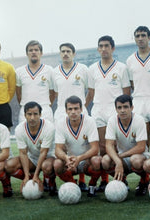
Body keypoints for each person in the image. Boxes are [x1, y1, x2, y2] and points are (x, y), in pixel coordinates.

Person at [86, 35, 131, 191]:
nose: (103, 49)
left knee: (116, 147)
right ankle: (105, 181)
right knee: (103, 147)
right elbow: (90, 93)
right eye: (101, 46)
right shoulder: (92, 69)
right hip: (98, 110)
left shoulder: (121, 67)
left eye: (106, 46)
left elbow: (126, 92)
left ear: (113, 48)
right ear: (98, 49)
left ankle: (121, 179)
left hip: (115, 111)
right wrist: (83, 108)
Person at [52, 43, 89, 191]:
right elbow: (54, 93)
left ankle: (82, 179)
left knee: (83, 144)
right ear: (60, 54)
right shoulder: (54, 72)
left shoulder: (83, 69)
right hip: (61, 111)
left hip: (80, 110)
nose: (65, 54)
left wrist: (82, 107)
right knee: (64, 147)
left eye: (68, 51)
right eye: (63, 52)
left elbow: (91, 90)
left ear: (74, 54)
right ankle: (68, 179)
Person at [102, 94, 150, 196]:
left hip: (140, 156)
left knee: (135, 160)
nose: (122, 110)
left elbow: (141, 147)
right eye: (119, 107)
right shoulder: (112, 120)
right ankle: (122, 180)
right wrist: (117, 161)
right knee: (105, 161)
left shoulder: (139, 120)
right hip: (122, 157)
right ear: (116, 109)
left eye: (125, 107)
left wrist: (120, 157)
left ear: (132, 108)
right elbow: (108, 145)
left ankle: (144, 180)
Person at [54, 96, 102, 197]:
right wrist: (66, 158)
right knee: (57, 164)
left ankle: (92, 186)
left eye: (76, 108)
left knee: (97, 161)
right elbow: (58, 149)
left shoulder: (89, 121)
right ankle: (73, 186)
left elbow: (95, 148)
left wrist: (79, 158)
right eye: (70, 109)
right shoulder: (60, 123)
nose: (73, 112)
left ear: (81, 109)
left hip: (86, 160)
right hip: (70, 161)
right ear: (66, 111)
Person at [5, 102, 56, 196]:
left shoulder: (49, 127)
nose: (32, 117)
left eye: (35, 114)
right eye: (29, 114)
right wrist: (26, 176)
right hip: (32, 159)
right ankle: (32, 178)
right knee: (9, 165)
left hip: (48, 158)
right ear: (24, 115)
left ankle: (50, 182)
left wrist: (36, 175)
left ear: (40, 114)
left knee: (46, 166)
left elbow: (43, 152)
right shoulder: (19, 129)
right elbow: (23, 153)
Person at [16, 40, 55, 123]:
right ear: (27, 54)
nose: (33, 52)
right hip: (25, 110)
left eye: (36, 50)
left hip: (44, 110)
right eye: (30, 50)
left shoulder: (49, 70)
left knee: (47, 135)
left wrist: (46, 105)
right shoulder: (19, 71)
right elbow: (18, 93)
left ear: (41, 53)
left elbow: (53, 92)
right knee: (24, 135)